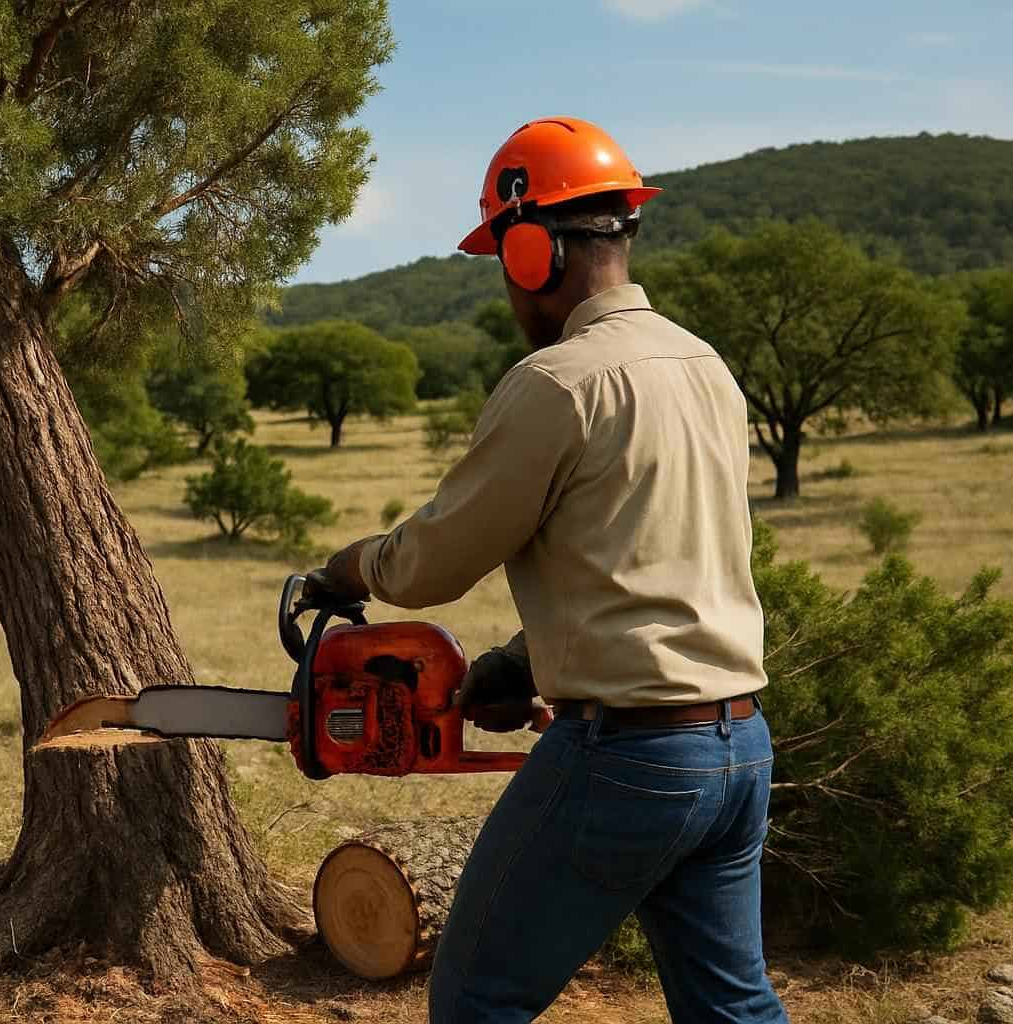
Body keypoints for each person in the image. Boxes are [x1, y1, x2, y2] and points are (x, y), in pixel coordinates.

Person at [307, 117, 788, 1024]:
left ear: (533, 249)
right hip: (738, 753)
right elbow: (658, 555)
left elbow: (432, 562)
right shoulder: (704, 364)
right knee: (734, 1011)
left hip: (630, 759)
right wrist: (528, 660)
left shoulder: (558, 381)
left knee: (476, 1000)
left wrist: (349, 567)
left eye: (503, 252)